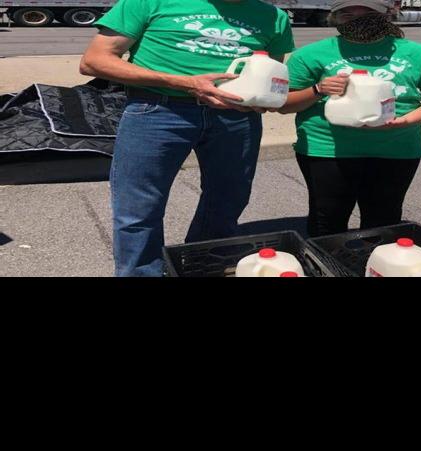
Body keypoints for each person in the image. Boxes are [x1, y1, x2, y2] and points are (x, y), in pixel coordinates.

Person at [79, 0, 295, 276]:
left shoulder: (273, 17)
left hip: (236, 116)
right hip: (158, 109)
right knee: (138, 208)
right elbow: (94, 61)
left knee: (227, 201)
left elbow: (270, 75)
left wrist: (262, 99)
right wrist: (186, 82)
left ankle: (202, 268)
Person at [279, 0, 421, 237]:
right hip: (327, 150)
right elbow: (285, 105)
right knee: (327, 221)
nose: (357, 18)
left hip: (396, 150)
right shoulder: (310, 54)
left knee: (383, 221)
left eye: (368, 12)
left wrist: (406, 120)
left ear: (387, 13)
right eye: (347, 13)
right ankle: (328, 260)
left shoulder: (419, 53)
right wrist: (318, 90)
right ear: (333, 17)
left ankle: (375, 259)